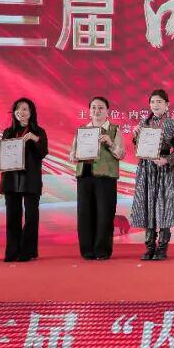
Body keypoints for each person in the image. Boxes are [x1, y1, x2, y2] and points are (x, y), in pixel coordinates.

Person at [0, 97, 48, 262]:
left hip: (30, 179)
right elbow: (1, 154)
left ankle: (28, 251)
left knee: (31, 216)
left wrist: (35, 139)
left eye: (24, 109)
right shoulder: (8, 132)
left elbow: (42, 153)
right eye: (17, 109)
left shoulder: (39, 132)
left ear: (31, 112)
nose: (20, 112)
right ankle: (12, 251)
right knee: (12, 217)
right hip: (11, 179)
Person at [130, 89, 174, 261]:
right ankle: (149, 247)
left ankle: (162, 248)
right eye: (152, 102)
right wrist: (135, 136)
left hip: (165, 169)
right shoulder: (143, 123)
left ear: (167, 104)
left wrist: (166, 160)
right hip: (146, 169)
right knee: (147, 205)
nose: (155, 105)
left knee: (165, 207)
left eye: (159, 101)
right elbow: (138, 148)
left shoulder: (173, 123)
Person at [68, 96, 125, 260]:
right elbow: (72, 154)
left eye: (100, 108)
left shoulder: (114, 130)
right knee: (85, 214)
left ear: (107, 111)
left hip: (106, 177)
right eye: (93, 107)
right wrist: (75, 155)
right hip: (85, 175)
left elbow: (121, 154)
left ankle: (102, 250)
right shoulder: (82, 130)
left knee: (105, 213)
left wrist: (110, 143)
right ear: (89, 111)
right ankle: (87, 250)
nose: (97, 111)